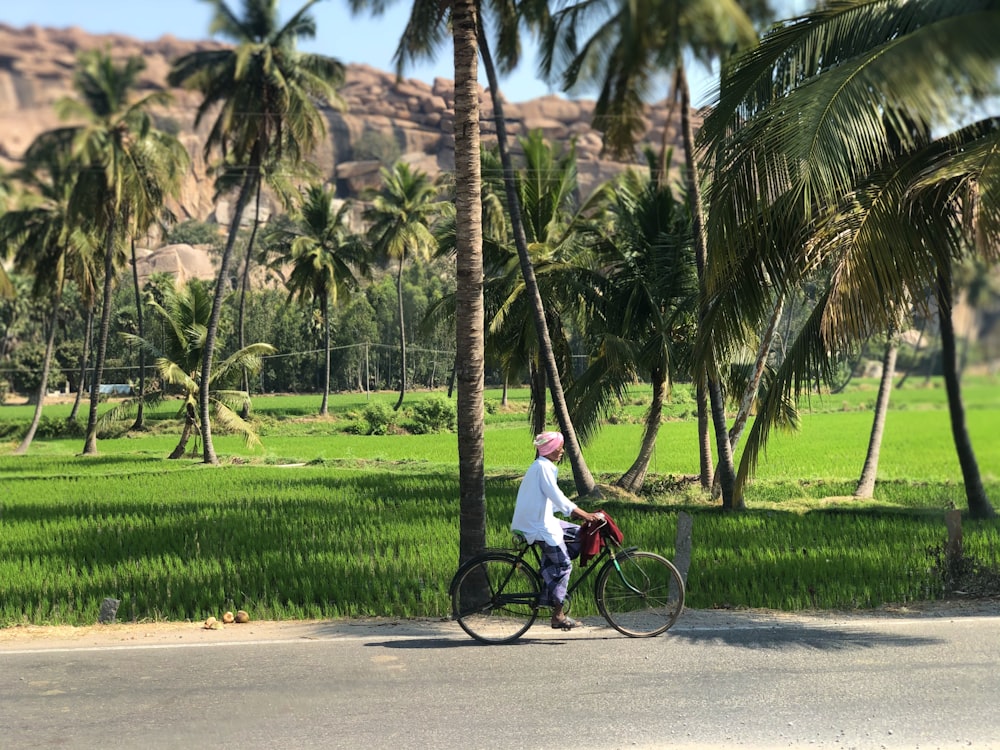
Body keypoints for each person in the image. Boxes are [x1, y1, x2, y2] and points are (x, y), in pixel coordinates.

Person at [511, 431, 600, 630]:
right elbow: (556, 496)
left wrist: (573, 512)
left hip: (542, 519)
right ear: (551, 449)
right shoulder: (543, 467)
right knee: (564, 566)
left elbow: (551, 500)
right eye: (560, 447)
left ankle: (549, 585)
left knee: (578, 534)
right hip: (536, 524)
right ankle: (558, 615)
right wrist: (583, 513)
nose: (562, 451)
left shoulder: (544, 467)